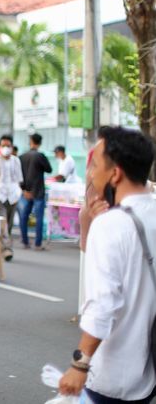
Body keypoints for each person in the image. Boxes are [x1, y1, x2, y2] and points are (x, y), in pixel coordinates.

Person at [58, 126, 156, 403]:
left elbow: (103, 304)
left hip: (112, 376)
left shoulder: (112, 224)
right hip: (147, 377)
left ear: (115, 173)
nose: (90, 172)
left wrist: (80, 364)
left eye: (96, 165)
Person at [19, 133, 53, 250]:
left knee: (23, 217)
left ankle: (25, 241)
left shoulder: (22, 157)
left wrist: (23, 190)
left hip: (25, 191)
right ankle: (38, 244)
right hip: (38, 191)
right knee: (39, 218)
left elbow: (19, 175)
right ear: (39, 143)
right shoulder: (40, 156)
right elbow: (49, 169)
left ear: (31, 141)